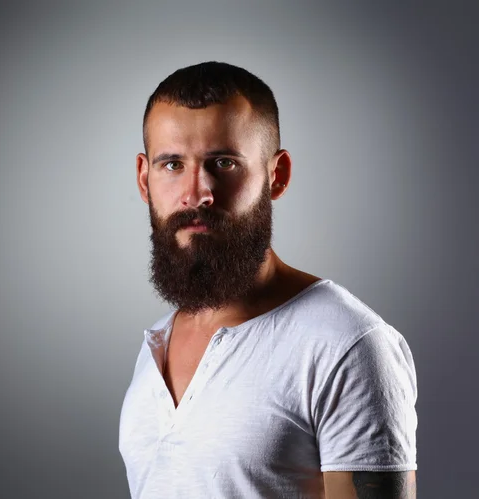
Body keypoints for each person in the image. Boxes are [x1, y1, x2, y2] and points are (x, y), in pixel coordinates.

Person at [118, 61, 417, 498]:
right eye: (172, 164)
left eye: (223, 162)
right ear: (145, 179)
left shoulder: (347, 345)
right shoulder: (157, 344)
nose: (197, 192)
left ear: (276, 175)